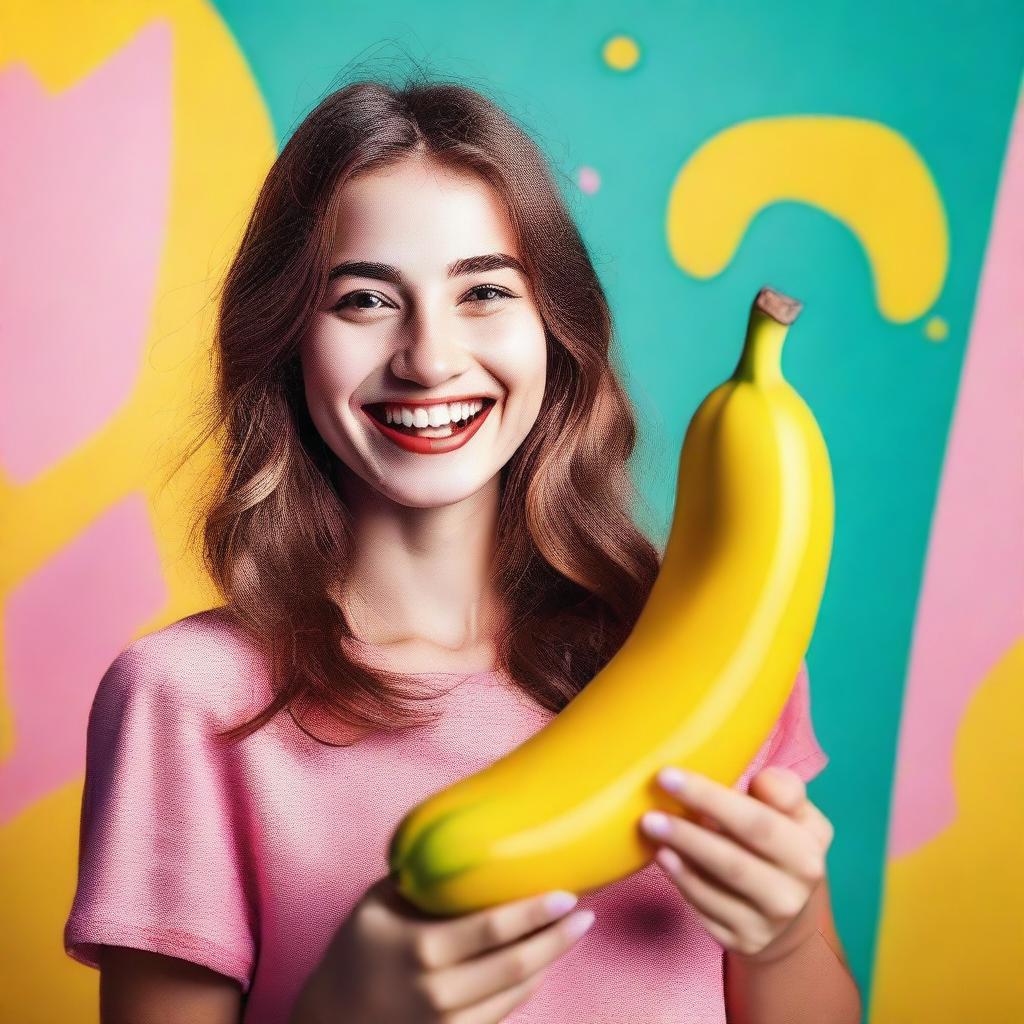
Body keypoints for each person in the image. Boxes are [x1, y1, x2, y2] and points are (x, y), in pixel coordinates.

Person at [63, 73, 852, 1023]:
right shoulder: (191, 699)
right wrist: (343, 1011)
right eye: (363, 301)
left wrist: (789, 935)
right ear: (289, 342)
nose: (430, 358)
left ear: (554, 329)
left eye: (483, 290)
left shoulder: (713, 663)